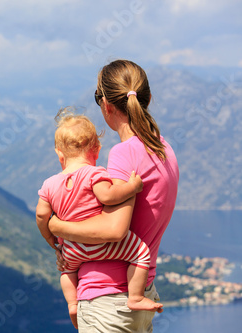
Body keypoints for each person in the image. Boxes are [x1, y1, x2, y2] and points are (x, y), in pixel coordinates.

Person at [48, 59, 179, 332]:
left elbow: (114, 229)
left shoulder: (124, 152)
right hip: (140, 289)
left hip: (107, 299)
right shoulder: (165, 149)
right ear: (148, 98)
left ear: (106, 105)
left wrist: (57, 227)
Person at [36, 111, 163, 329]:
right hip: (103, 246)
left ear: (60, 155)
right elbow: (108, 196)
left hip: (74, 250)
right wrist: (132, 187)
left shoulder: (49, 184)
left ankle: (72, 304)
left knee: (67, 270)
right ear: (96, 150)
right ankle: (135, 297)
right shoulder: (95, 174)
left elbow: (41, 215)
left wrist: (50, 237)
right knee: (141, 252)